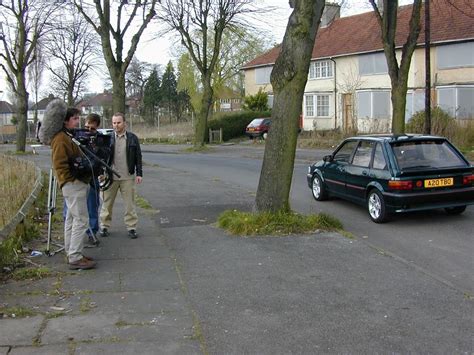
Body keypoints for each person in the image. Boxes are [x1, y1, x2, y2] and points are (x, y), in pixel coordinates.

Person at [40, 100, 96, 270]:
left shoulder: (66, 136)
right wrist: (71, 180)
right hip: (73, 185)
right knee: (81, 220)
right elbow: (59, 164)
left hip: (73, 184)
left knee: (72, 220)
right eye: (74, 118)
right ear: (65, 120)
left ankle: (71, 251)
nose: (77, 121)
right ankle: (75, 257)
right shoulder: (60, 139)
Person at [99, 112, 143, 239]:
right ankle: (104, 226)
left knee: (130, 204)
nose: (116, 125)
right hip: (110, 177)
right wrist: (101, 173)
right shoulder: (107, 138)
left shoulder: (133, 138)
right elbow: (101, 157)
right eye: (114, 123)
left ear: (124, 123)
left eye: (118, 122)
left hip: (127, 176)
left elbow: (138, 157)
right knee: (107, 203)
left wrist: (139, 173)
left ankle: (131, 228)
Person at [62, 113, 103, 246]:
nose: (88, 132)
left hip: (91, 176)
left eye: (92, 129)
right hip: (75, 178)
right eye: (86, 128)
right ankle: (71, 241)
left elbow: (102, 158)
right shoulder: (73, 137)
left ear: (97, 128)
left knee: (92, 205)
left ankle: (92, 232)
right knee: (71, 210)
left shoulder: (99, 140)